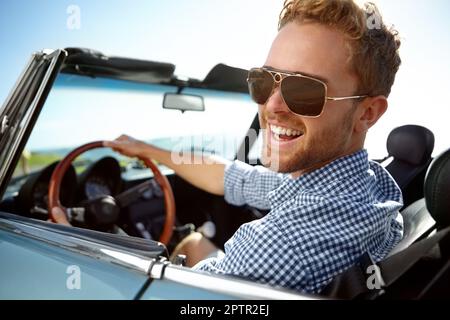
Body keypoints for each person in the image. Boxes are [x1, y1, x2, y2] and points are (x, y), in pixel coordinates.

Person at [104, 0, 403, 294]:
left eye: (304, 90)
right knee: (193, 242)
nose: (271, 105)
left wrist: (77, 240)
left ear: (367, 113)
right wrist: (146, 149)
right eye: (264, 80)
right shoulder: (367, 183)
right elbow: (236, 177)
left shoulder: (287, 243)